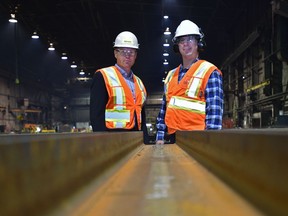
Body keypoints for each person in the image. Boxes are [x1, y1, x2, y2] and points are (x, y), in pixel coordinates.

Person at [156, 20, 223, 145]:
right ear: (177, 45)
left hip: (198, 140)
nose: (186, 44)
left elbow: (214, 113)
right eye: (182, 40)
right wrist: (160, 137)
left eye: (190, 39)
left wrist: (211, 143)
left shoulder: (209, 71)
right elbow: (164, 110)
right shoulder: (171, 75)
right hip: (172, 139)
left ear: (199, 43)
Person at [90, 31, 149, 144]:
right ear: (115, 53)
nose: (127, 56)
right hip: (112, 140)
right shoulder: (103, 76)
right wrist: (102, 142)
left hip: (136, 140)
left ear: (136, 55)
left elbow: (141, 116)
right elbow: (96, 115)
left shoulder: (139, 82)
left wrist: (145, 142)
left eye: (131, 52)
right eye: (123, 51)